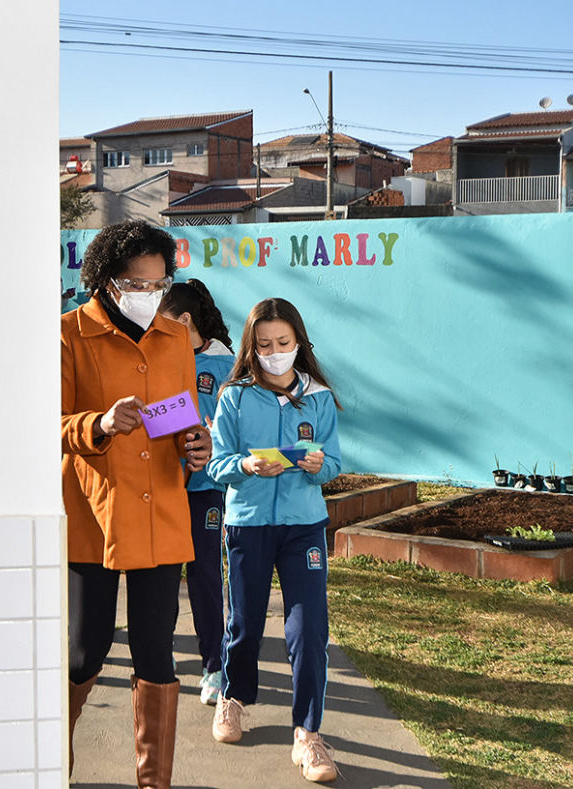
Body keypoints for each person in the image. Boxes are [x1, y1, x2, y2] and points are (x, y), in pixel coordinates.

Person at [62, 221, 212, 789]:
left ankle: (156, 784)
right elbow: (48, 426)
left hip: (162, 513)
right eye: (138, 284)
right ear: (104, 281)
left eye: (160, 284)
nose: (151, 296)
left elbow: (179, 415)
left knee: (157, 655)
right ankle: (55, 762)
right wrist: (97, 423)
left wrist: (196, 443)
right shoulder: (68, 335)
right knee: (86, 652)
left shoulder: (176, 337)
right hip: (95, 516)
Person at [205, 298, 343, 783]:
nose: (274, 352)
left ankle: (307, 734)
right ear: (251, 347)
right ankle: (233, 698)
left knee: (309, 629)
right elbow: (216, 463)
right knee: (244, 620)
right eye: (263, 345)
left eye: (283, 343)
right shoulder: (235, 397)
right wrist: (245, 465)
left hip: (303, 525)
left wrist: (316, 465)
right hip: (248, 524)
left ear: (298, 343)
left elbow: (335, 462)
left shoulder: (319, 396)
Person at [158, 278, 235, 706]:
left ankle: (214, 664)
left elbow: (219, 425)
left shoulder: (225, 364)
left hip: (206, 490)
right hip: (166, 484)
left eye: (164, 323)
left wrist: (179, 421)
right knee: (163, 574)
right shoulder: (166, 356)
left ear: (185, 321)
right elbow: (159, 415)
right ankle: (159, 655)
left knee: (205, 575)